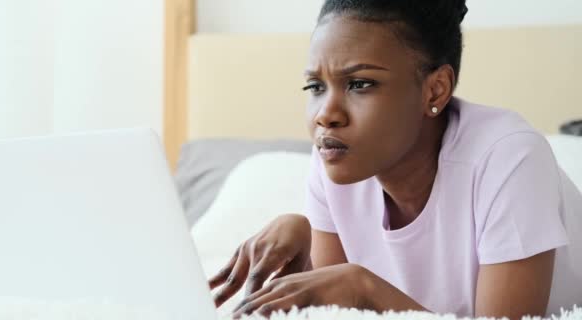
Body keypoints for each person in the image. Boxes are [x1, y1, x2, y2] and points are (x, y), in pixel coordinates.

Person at [209, 1, 582, 318]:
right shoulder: (334, 158)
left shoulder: (509, 156)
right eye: (315, 87)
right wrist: (303, 249)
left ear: (435, 89)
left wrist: (363, 286)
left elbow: (353, 290)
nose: (327, 114)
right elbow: (336, 310)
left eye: (360, 84)